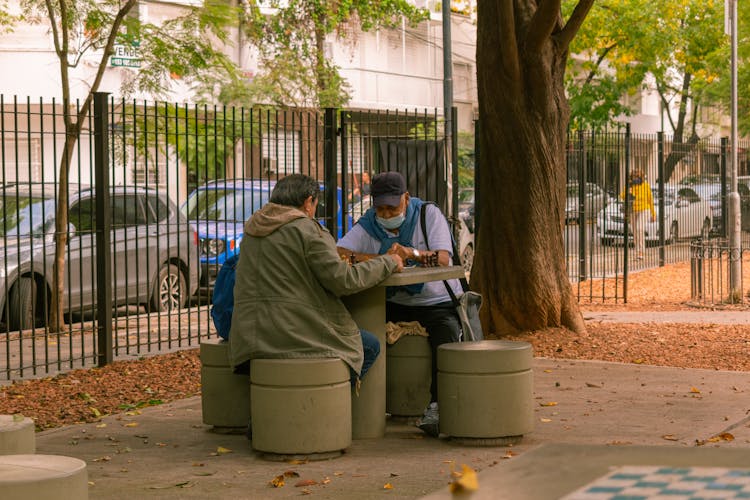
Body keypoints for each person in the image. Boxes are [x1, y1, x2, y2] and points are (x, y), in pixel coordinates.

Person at [228, 174, 404, 387]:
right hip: (293, 337)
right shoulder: (306, 229)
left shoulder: (252, 229)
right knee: (368, 345)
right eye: (315, 204)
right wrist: (389, 262)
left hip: (249, 339)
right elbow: (344, 281)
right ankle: (324, 408)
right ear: (308, 201)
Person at [336, 171, 463, 437]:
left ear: (406, 198)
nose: (385, 214)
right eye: (380, 208)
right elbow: (340, 253)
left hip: (434, 302)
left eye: (392, 207)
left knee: (446, 335)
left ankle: (436, 407)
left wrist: (410, 253)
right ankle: (357, 403)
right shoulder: (368, 224)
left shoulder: (429, 215)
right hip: (391, 301)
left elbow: (443, 259)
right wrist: (383, 259)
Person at [621, 169, 655, 260]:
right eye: (634, 177)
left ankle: (641, 252)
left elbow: (650, 200)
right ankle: (637, 252)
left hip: (644, 209)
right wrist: (629, 191)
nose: (635, 179)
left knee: (640, 229)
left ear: (641, 178)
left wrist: (653, 213)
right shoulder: (629, 186)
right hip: (633, 210)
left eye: (637, 177)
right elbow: (622, 196)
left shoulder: (646, 186)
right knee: (635, 232)